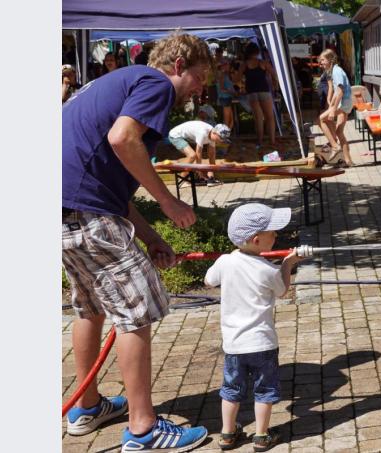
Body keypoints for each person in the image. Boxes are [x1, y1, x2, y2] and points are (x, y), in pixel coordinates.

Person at [62, 32, 212, 452]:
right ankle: (144, 430)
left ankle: (88, 408)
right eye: (200, 77)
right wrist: (168, 201)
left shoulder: (116, 83)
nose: (201, 88)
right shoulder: (155, 83)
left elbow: (110, 190)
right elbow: (122, 139)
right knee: (135, 310)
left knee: (90, 306)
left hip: (66, 210)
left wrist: (150, 238)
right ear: (179, 65)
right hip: (85, 211)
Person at [204, 203, 305, 452]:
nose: (277, 235)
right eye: (273, 232)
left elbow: (209, 280)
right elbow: (282, 291)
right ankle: (261, 435)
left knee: (231, 389)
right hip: (262, 343)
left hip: (234, 345)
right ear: (258, 239)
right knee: (265, 389)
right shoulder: (266, 270)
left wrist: (226, 260)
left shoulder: (225, 262)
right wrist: (287, 264)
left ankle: (227, 434)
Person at [317, 49, 354, 167]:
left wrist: (332, 109)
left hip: (344, 103)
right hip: (345, 103)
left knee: (321, 119)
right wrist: (331, 103)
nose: (320, 62)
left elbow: (340, 90)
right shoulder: (334, 71)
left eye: (322, 60)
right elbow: (336, 91)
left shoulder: (336, 71)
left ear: (330, 60)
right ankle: (348, 161)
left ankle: (334, 146)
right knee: (339, 132)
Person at [168, 120, 231, 186]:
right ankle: (181, 180)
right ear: (215, 133)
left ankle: (198, 177)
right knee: (192, 155)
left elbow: (211, 155)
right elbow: (198, 153)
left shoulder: (212, 136)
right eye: (221, 138)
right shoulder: (202, 133)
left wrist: (211, 176)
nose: (221, 141)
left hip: (187, 137)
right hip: (175, 135)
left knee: (198, 156)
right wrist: (200, 174)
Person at [240, 42, 278, 149]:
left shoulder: (244, 64)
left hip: (251, 92)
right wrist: (275, 86)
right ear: (257, 52)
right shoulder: (263, 63)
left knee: (258, 118)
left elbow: (237, 79)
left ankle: (260, 142)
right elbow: (274, 75)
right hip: (264, 91)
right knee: (270, 117)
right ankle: (272, 141)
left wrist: (242, 84)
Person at [216, 58, 238, 130]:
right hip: (225, 98)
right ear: (222, 66)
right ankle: (224, 136)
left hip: (227, 98)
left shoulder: (226, 74)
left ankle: (226, 135)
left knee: (231, 120)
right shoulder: (221, 75)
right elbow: (222, 88)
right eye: (226, 64)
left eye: (228, 64)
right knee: (227, 120)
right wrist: (233, 92)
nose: (228, 66)